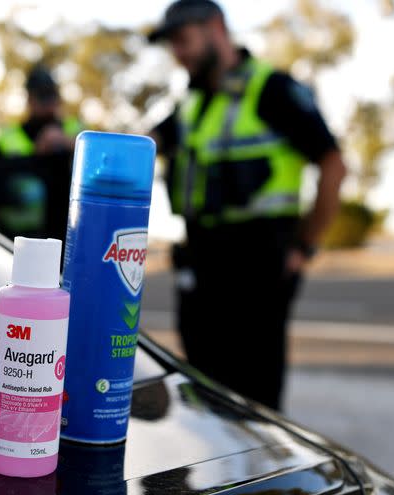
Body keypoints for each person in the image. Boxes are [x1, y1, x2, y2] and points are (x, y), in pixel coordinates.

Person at [148, 0, 346, 410]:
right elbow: (140, 145)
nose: (178, 54)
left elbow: (333, 164)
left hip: (258, 263)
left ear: (216, 27)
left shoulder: (272, 89)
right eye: (173, 46)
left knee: (256, 403)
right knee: (206, 395)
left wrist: (304, 246)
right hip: (202, 263)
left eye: (183, 40)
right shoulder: (190, 104)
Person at [0, 66, 82, 238]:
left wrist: (70, 143)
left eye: (52, 95)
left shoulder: (76, 131)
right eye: (42, 96)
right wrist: (35, 156)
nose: (48, 103)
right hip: (20, 240)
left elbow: (102, 161)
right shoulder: (6, 138)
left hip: (68, 238)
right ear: (29, 99)